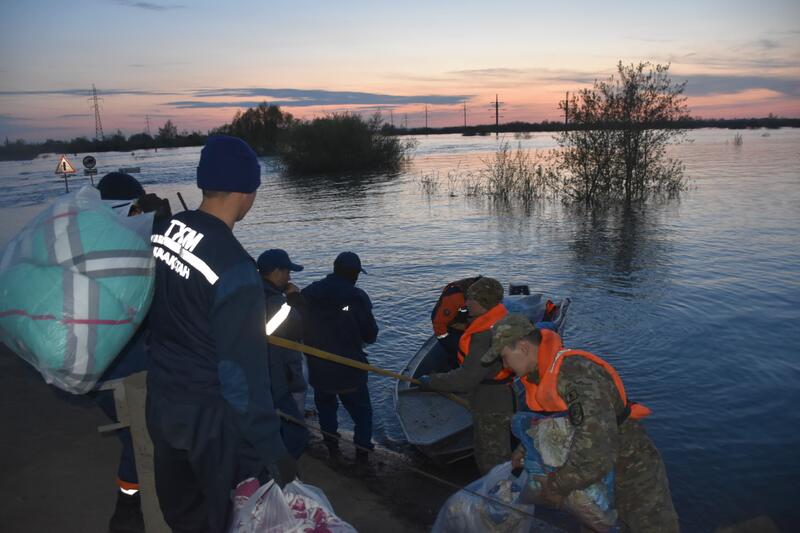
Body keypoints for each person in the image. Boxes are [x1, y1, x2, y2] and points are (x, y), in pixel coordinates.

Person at [146, 135, 296, 532]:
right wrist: (272, 450)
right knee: (218, 520)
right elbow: (242, 376)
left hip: (161, 403)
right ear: (248, 191)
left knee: (182, 515)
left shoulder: (163, 232)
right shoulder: (234, 269)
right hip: (206, 424)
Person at [481, 313, 680, 532]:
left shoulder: (576, 375)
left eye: (504, 356)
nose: (504, 365)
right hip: (592, 475)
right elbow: (556, 421)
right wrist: (526, 447)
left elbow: (596, 448)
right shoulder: (541, 374)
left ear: (523, 348)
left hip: (630, 467)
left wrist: (556, 486)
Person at [91, 171, 172, 533]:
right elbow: (167, 273)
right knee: (142, 440)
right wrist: (164, 222)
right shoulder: (128, 241)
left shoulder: (87, 237)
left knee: (134, 436)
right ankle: (129, 512)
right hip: (127, 369)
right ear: (129, 206)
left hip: (95, 367)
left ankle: (131, 506)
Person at [417, 277, 513, 474]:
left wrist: (432, 381)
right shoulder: (498, 323)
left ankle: (497, 495)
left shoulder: (485, 335)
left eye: (471, 300)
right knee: (493, 450)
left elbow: (467, 378)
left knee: (492, 457)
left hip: (492, 402)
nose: (466, 304)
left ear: (484, 304)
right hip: (497, 395)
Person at [301, 251, 379, 467]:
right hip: (349, 368)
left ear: (334, 268)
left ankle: (332, 450)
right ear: (355, 274)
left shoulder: (309, 293)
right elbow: (371, 335)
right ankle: (362, 455)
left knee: (326, 409)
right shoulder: (357, 297)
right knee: (362, 413)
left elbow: (298, 323)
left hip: (318, 367)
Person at [257, 248, 310, 458]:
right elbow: (300, 327)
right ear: (277, 272)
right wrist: (295, 299)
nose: (289, 277)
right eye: (288, 272)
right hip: (278, 375)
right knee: (295, 433)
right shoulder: (277, 304)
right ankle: (284, 474)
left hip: (259, 372)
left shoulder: (251, 292)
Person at [430, 275, 482, 360]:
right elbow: (439, 323)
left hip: (469, 325)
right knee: (456, 354)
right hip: (450, 328)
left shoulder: (488, 295)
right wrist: (449, 343)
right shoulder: (454, 296)